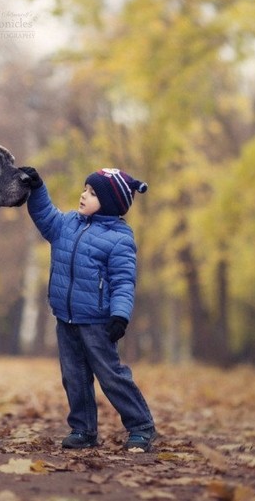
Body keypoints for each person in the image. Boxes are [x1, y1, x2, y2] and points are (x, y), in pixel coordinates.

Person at [20, 166, 156, 451]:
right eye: (85, 189)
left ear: (109, 202)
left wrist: (120, 315)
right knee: (74, 376)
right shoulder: (68, 224)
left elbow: (123, 281)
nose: (83, 195)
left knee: (111, 375)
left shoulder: (119, 239)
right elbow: (45, 216)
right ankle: (83, 430)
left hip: (98, 321)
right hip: (66, 318)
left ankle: (141, 426)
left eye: (92, 193)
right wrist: (37, 188)